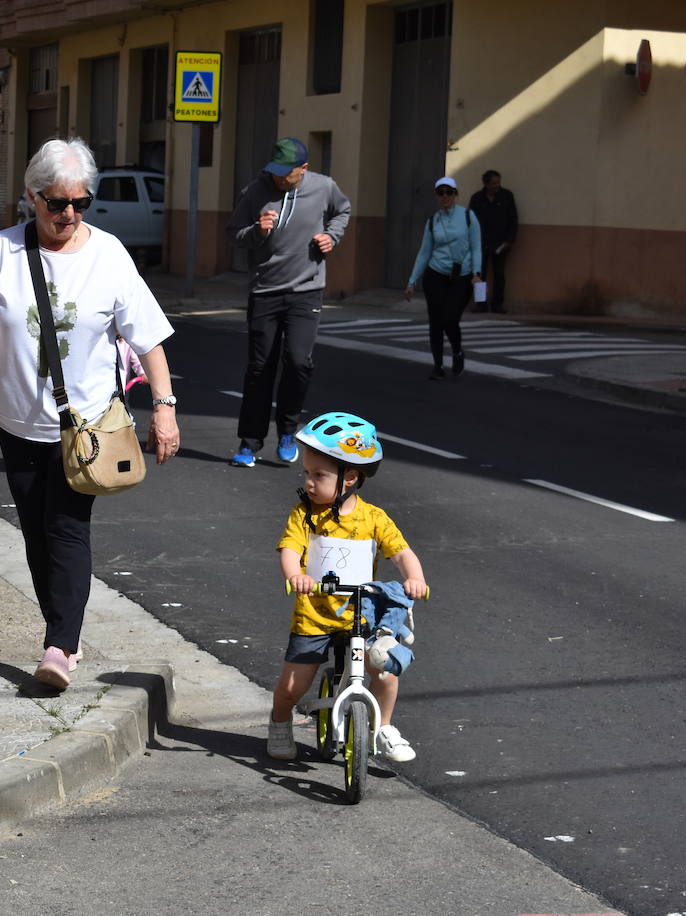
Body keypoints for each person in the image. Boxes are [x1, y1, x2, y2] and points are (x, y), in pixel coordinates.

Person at [0, 137, 180, 690]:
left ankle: (60, 645)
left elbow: (148, 339)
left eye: (82, 203)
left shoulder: (110, 255)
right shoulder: (0, 252)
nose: (70, 215)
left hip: (89, 426)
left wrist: (165, 408)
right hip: (16, 419)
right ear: (32, 197)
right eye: (58, 204)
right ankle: (60, 627)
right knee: (34, 531)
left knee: (67, 526)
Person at [267, 411, 428, 764]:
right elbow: (290, 549)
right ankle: (280, 721)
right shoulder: (305, 513)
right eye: (307, 473)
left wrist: (414, 578)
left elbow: (402, 553)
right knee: (294, 685)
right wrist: (296, 575)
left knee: (384, 667)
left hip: (362, 614)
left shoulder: (374, 519)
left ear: (350, 477)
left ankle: (384, 725)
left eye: (319, 475)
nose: (309, 482)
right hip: (316, 614)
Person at [227, 137, 351, 468]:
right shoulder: (255, 191)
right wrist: (257, 231)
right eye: (276, 173)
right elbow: (234, 233)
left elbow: (343, 211)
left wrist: (332, 236)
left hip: (307, 289)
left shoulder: (324, 187)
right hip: (265, 289)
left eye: (287, 173)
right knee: (260, 368)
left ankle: (287, 429)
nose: (280, 179)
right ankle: (249, 443)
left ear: (304, 169)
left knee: (298, 362)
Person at [405, 177, 482, 380]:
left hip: (461, 276)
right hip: (436, 274)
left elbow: (476, 247)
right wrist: (412, 281)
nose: (445, 196)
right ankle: (437, 365)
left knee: (450, 319)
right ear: (436, 196)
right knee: (436, 322)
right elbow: (424, 252)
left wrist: (477, 273)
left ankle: (457, 352)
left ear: (455, 194)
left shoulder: (467, 216)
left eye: (449, 192)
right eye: (441, 193)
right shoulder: (433, 221)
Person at [467, 169, 518, 313]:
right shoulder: (477, 198)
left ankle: (497, 304)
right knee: (480, 274)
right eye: (494, 184)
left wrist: (510, 240)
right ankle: (481, 304)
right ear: (486, 184)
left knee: (499, 275)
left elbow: (513, 219)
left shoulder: (507, 196)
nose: (497, 186)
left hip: (500, 243)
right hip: (480, 243)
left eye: (498, 183)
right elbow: (470, 220)